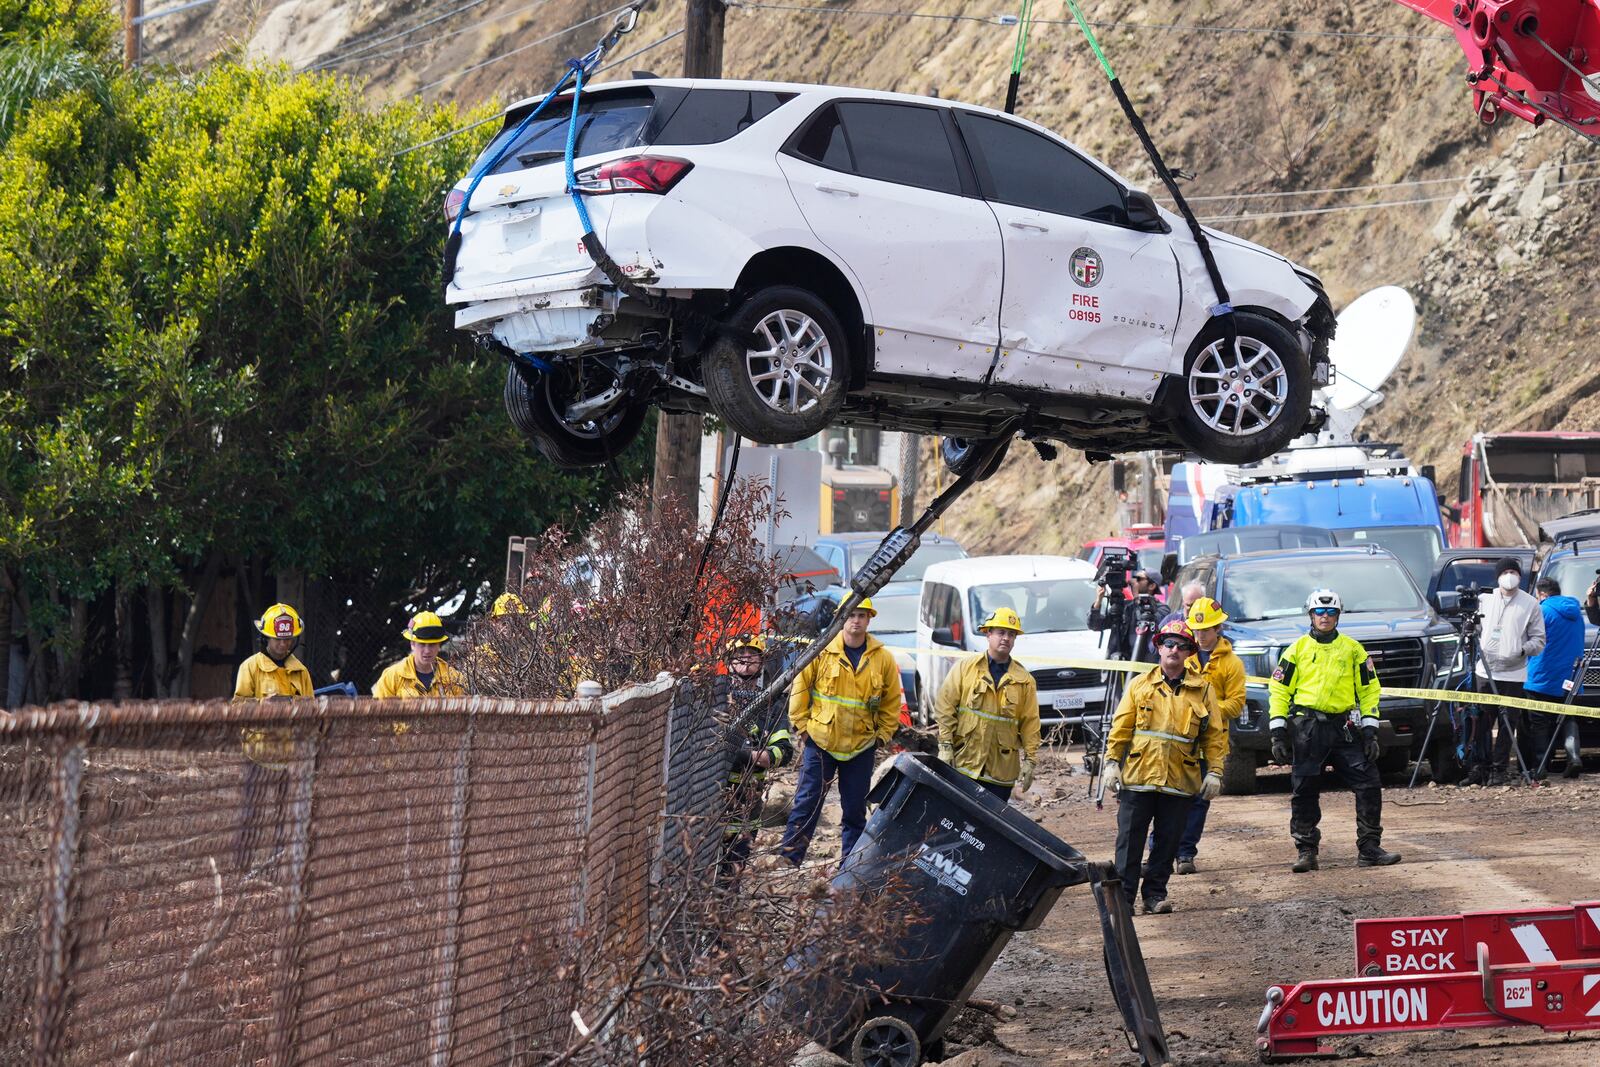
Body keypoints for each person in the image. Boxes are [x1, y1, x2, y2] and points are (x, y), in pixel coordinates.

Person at [1268, 589, 1401, 872]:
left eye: (1330, 612)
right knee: (1304, 789)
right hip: (1308, 729)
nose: (1324, 617)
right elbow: (1279, 690)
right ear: (1310, 615)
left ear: (1338, 615)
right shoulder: (1296, 650)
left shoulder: (1353, 649)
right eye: (1319, 612)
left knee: (1368, 783)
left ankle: (1369, 848)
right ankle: (1306, 851)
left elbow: (1369, 690)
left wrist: (1370, 730)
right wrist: (1278, 731)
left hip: (1344, 728)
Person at [1103, 619, 1226, 914]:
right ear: (1158, 647)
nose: (1174, 649)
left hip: (1179, 781)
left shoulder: (1203, 690)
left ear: (1189, 653)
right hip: (1139, 778)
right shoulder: (1139, 686)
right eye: (1168, 643)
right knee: (1129, 843)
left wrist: (1215, 771)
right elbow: (1121, 728)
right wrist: (1110, 763)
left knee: (1167, 844)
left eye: (1182, 646)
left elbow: (1214, 736)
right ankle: (1125, 899)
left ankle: (1155, 896)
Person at [779, 598, 902, 868]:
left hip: (860, 746)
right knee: (807, 803)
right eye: (851, 614)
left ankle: (849, 868)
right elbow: (800, 688)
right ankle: (789, 860)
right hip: (821, 742)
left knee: (855, 811)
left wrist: (881, 736)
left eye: (861, 615)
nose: (856, 620)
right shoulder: (821, 651)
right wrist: (802, 728)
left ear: (869, 619)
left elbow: (892, 703)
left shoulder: (882, 659)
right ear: (841, 618)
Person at [232, 603, 313, 871]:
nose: (283, 644)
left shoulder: (301, 672)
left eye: (288, 638)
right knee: (251, 814)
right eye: (278, 638)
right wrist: (260, 708)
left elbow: (312, 711)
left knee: (285, 817)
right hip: (257, 754)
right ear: (265, 637)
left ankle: (280, 869)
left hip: (290, 757)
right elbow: (236, 709)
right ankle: (241, 869)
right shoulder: (251, 667)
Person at [934, 608, 1040, 803]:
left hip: (1000, 773)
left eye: (1011, 634)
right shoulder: (966, 668)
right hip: (965, 764)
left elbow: (1030, 724)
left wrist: (1030, 761)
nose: (1006, 638)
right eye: (1001, 632)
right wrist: (945, 744)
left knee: (988, 828)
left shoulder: (1025, 680)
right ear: (988, 633)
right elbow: (945, 706)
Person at [1173, 598, 1246, 874]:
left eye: (1206, 630)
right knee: (1169, 797)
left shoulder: (1232, 664)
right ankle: (1160, 852)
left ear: (1218, 628)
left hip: (1211, 743)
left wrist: (1206, 711)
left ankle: (1185, 854)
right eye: (1197, 630)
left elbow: (1237, 704)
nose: (1200, 635)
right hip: (1179, 740)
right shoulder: (1183, 656)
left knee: (1199, 801)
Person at [1464, 557, 1546, 786]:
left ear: (1520, 576)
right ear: (1498, 576)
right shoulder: (1484, 601)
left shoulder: (1531, 604)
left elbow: (1539, 640)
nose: (1509, 575)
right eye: (1506, 571)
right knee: (1481, 721)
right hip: (1485, 671)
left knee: (1508, 724)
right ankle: (1481, 767)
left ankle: (1500, 770)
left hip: (1514, 673)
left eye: (1513, 571)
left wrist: (1522, 650)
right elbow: (1474, 629)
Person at [719, 635, 794, 878]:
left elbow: (784, 750)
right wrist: (746, 754)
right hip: (713, 794)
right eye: (740, 654)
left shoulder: (771, 703)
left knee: (736, 865)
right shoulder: (716, 698)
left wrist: (762, 756)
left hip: (748, 798)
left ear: (762, 662)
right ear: (729, 662)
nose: (746, 659)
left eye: (752, 654)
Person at [1523, 577, 1586, 779]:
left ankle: (1540, 766)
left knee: (1539, 721)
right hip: (1571, 676)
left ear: (1542, 594)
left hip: (1543, 676)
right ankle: (1574, 757)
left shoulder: (1542, 611)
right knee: (1568, 716)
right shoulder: (1576, 612)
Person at [373, 611, 467, 698]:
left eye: (432, 645)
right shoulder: (392, 677)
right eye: (422, 644)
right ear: (412, 644)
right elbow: (377, 712)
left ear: (439, 645)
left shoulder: (453, 678)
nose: (427, 650)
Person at [1089, 568, 1164, 661]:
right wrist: (1099, 600)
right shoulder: (1125, 606)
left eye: (1138, 579)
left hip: (1142, 663)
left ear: (1152, 585)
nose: (1133, 581)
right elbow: (1095, 625)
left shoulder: (1162, 608)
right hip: (1117, 664)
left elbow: (1146, 619)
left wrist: (1137, 597)